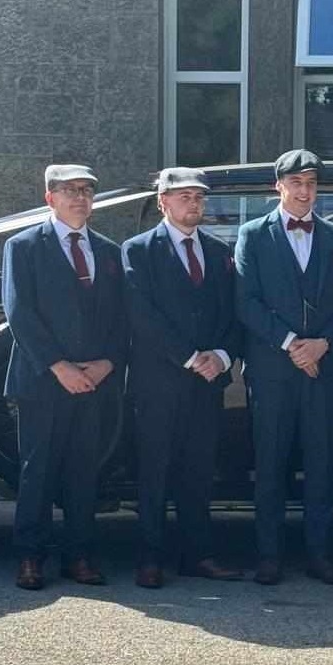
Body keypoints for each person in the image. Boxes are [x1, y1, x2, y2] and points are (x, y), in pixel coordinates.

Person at [235, 150, 333, 587]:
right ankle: (269, 556)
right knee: (270, 462)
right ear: (279, 187)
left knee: (322, 462)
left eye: (311, 183)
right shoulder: (252, 234)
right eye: (297, 183)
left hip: (323, 368)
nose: (305, 191)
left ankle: (321, 554)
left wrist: (322, 344)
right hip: (272, 369)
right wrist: (292, 344)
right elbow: (246, 302)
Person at [2, 164, 125, 590]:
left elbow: (120, 317)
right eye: (70, 190)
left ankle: (79, 556)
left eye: (87, 190)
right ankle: (30, 557)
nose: (80, 197)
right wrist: (59, 366)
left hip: (93, 381)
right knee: (39, 470)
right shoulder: (23, 246)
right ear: (49, 197)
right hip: (43, 380)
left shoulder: (109, 251)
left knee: (83, 471)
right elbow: (20, 313)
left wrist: (108, 362)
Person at [122, 167, 242, 589]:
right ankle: (150, 558)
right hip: (160, 382)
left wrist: (223, 357)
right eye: (184, 196)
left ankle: (197, 555)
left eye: (199, 197)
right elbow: (142, 317)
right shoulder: (138, 250)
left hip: (208, 382)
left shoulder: (219, 251)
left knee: (199, 471)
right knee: (155, 470)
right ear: (163, 202)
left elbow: (233, 314)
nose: (193, 204)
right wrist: (191, 357)